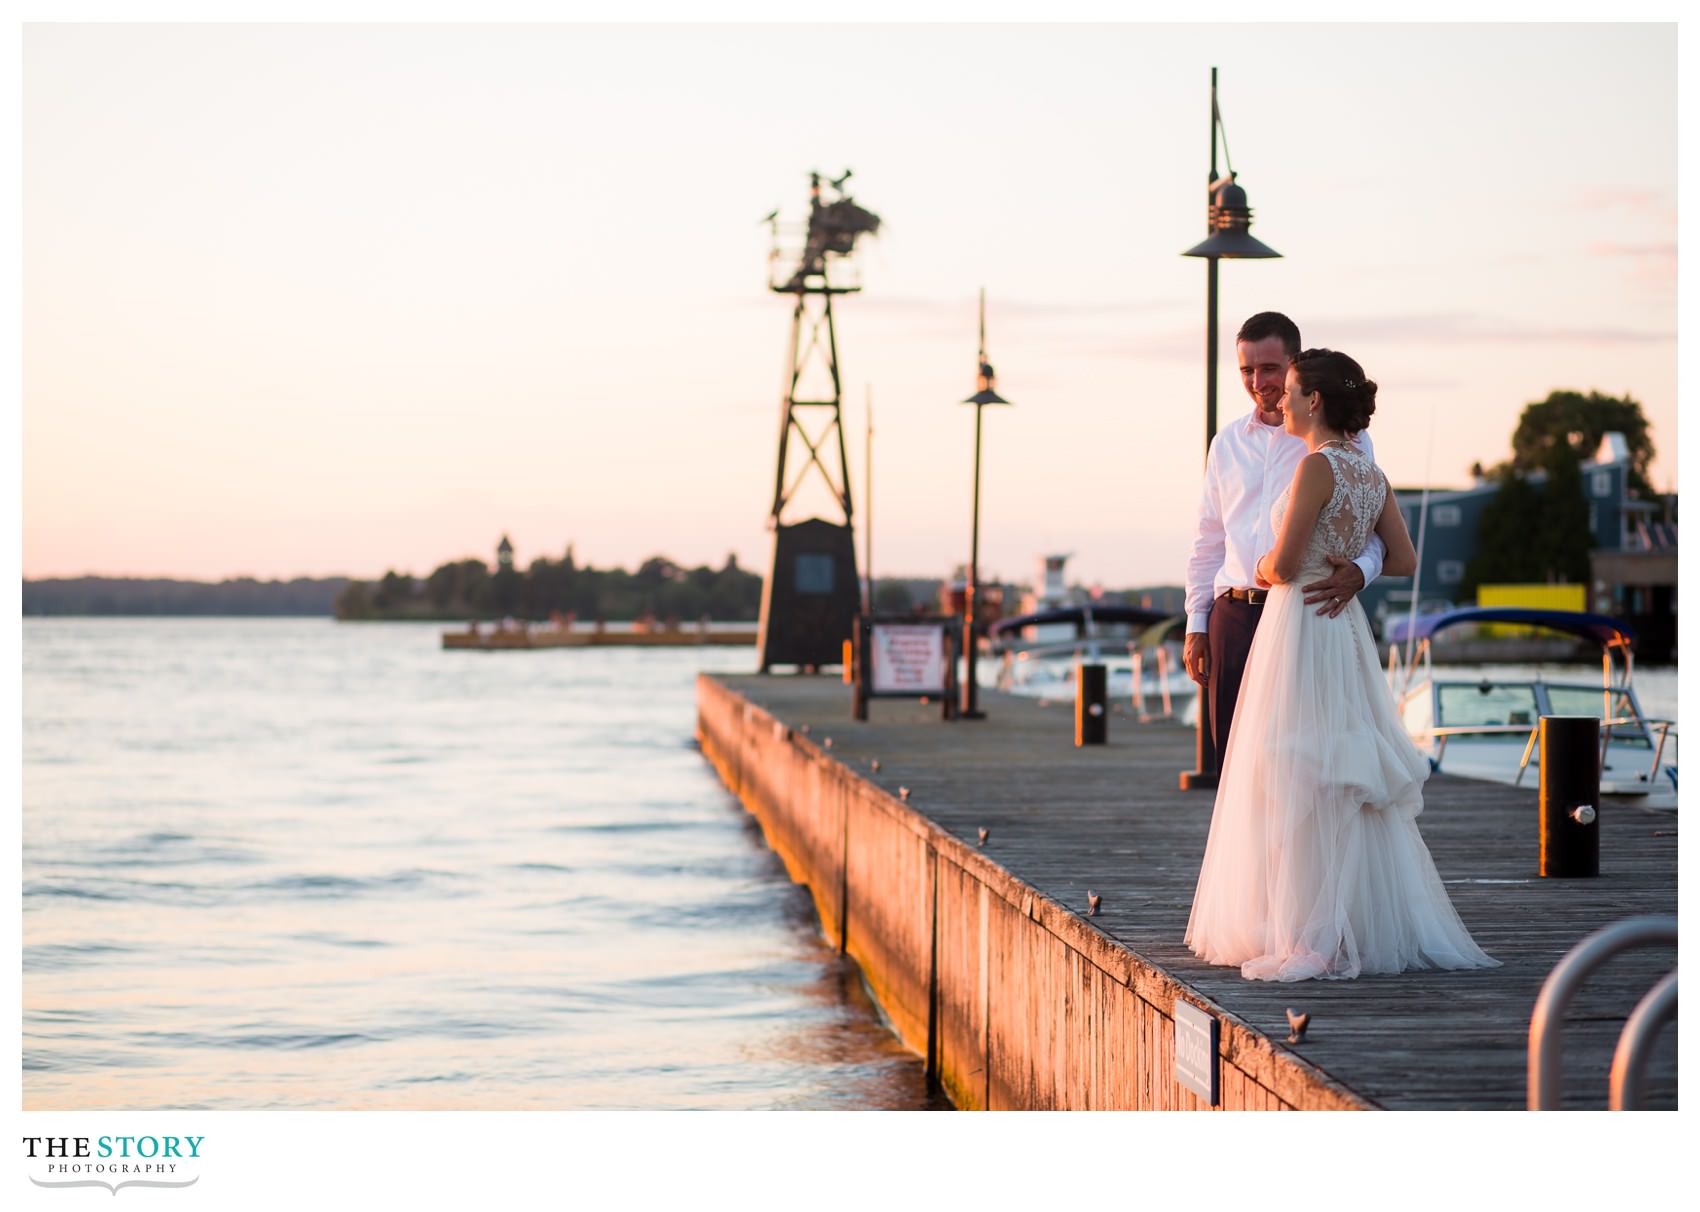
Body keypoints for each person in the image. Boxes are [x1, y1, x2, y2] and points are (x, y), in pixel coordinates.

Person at [1185, 348, 1497, 981]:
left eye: (1293, 391)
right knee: (1339, 768)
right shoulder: (1369, 473)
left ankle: (1306, 929)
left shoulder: (1316, 469)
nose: (1283, 401)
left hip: (1299, 623)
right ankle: (1340, 919)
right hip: (1344, 626)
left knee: (1293, 769)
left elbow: (1281, 561)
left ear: (1315, 401)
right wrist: (1353, 568)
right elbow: (1405, 559)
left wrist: (1269, 566)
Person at [1183, 312, 1385, 769]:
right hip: (1232, 617)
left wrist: (1362, 571)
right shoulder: (1227, 443)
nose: (1257, 381)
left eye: (1269, 368)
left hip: (1305, 614)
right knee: (1233, 768)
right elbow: (1208, 539)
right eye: (1246, 370)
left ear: (1295, 365)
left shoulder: (1345, 442)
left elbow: (1373, 522)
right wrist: (1197, 622)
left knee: (1303, 764)